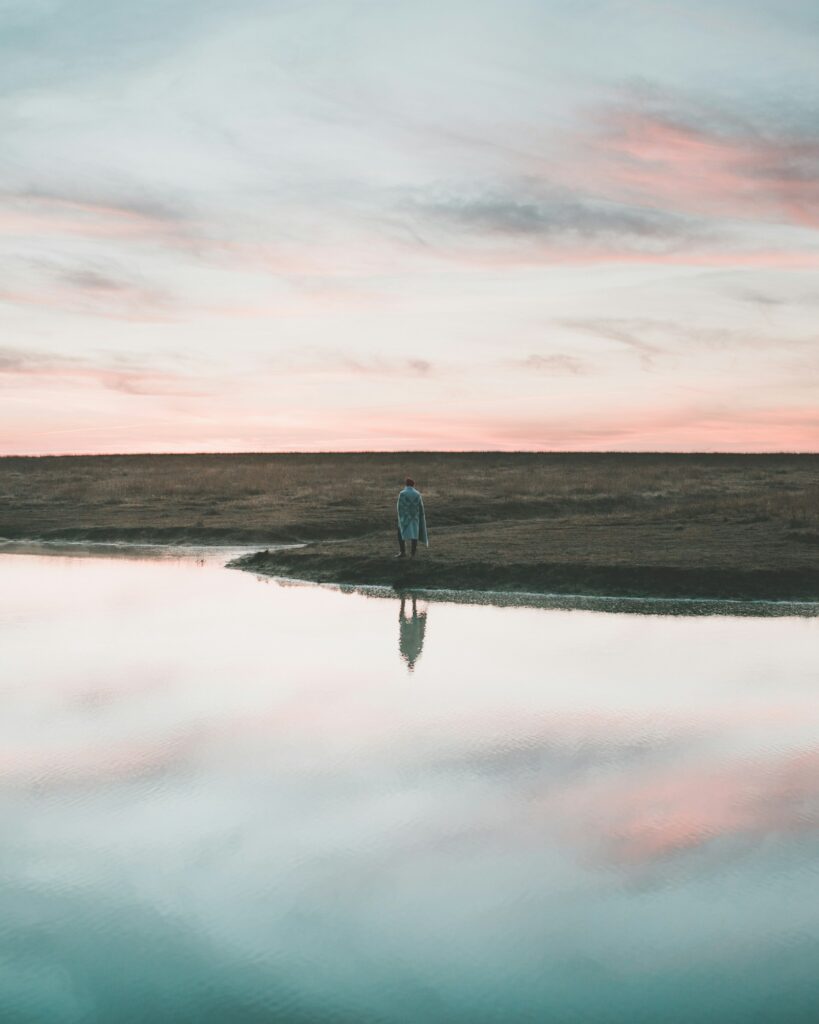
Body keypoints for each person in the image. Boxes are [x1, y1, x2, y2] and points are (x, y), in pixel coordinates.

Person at [396, 477, 428, 558]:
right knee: (415, 534)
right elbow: (421, 506)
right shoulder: (417, 494)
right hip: (415, 518)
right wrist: (420, 516)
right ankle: (413, 553)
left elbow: (399, 507)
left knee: (400, 533)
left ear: (406, 484)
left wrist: (400, 517)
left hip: (405, 518)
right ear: (413, 485)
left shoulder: (402, 493)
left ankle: (402, 551)